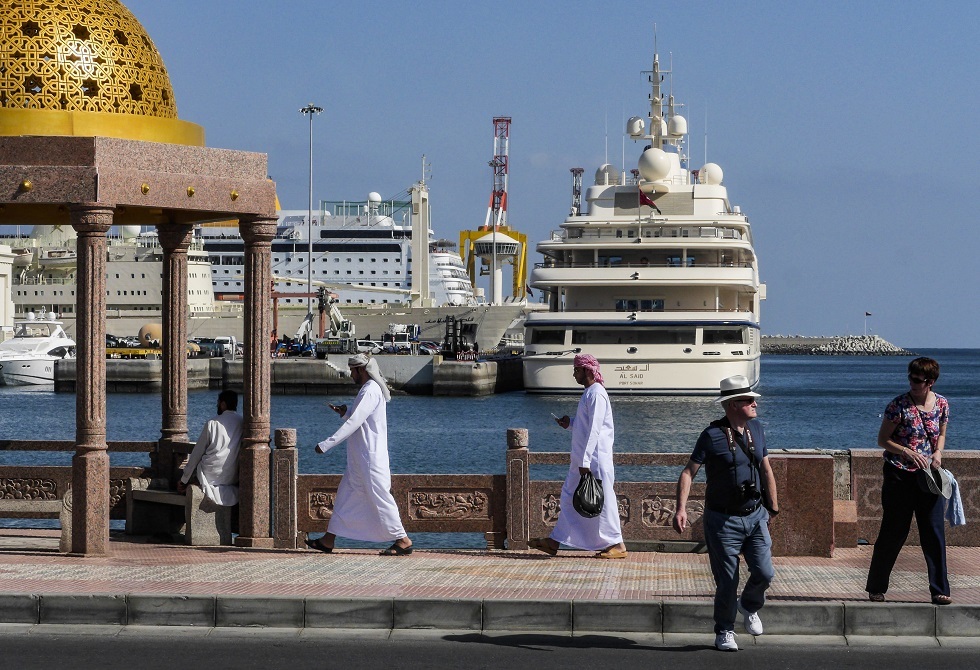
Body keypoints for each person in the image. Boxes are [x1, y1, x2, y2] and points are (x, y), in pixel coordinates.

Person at [672, 375, 778, 652]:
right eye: (748, 400)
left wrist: (774, 507)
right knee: (727, 581)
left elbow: (766, 469)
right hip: (722, 520)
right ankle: (724, 631)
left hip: (755, 515)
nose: (755, 403)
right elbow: (688, 472)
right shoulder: (712, 436)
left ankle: (749, 605)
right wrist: (681, 508)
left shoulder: (757, 429)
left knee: (765, 573)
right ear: (732, 405)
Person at [306, 354, 413, 556]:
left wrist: (326, 444)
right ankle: (328, 540)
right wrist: (345, 412)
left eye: (353, 370)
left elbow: (354, 423)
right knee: (345, 497)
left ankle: (403, 540)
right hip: (359, 459)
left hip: (370, 459)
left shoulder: (371, 390)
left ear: (361, 370)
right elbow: (360, 419)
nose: (350, 374)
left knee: (381, 497)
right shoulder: (367, 390)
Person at [866, 357, 951, 605]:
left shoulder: (942, 404)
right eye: (910, 378)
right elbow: (883, 440)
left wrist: (938, 453)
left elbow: (942, 434)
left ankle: (939, 590)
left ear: (930, 382)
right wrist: (906, 451)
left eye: (917, 380)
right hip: (899, 475)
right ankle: (876, 587)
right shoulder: (898, 405)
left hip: (928, 477)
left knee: (934, 533)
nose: (912, 383)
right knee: (893, 532)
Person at [529, 354, 627, 559]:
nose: (574, 374)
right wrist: (570, 422)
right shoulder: (589, 393)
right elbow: (586, 425)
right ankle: (554, 541)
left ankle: (618, 544)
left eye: (576, 370)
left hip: (594, 461)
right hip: (583, 461)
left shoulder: (597, 394)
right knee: (568, 498)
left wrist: (585, 461)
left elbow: (595, 430)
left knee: (604, 500)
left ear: (587, 371)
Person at [177, 389, 244, 507]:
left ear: (223, 404)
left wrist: (184, 479)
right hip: (232, 476)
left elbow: (197, 453)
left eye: (218, 402)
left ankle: (187, 488)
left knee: (190, 475)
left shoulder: (213, 423)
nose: (217, 405)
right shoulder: (242, 423)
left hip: (210, 474)